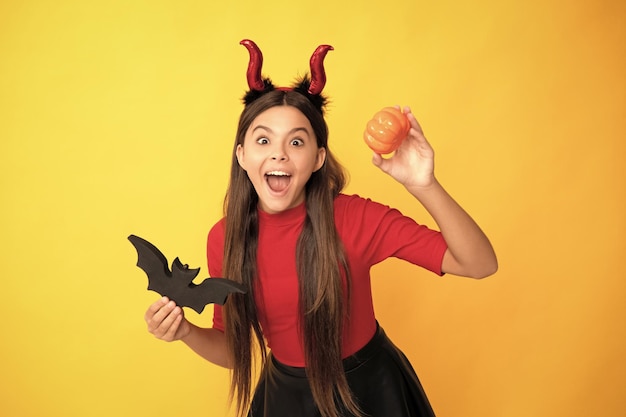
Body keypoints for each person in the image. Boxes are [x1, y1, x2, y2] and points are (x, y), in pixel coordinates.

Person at [143, 40, 497, 417]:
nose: (279, 153)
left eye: (296, 141)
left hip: (372, 392)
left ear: (318, 159)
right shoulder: (224, 237)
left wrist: (423, 184)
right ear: (242, 154)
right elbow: (234, 351)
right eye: (263, 139)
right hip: (286, 399)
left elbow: (479, 264)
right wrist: (185, 332)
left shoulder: (355, 218)